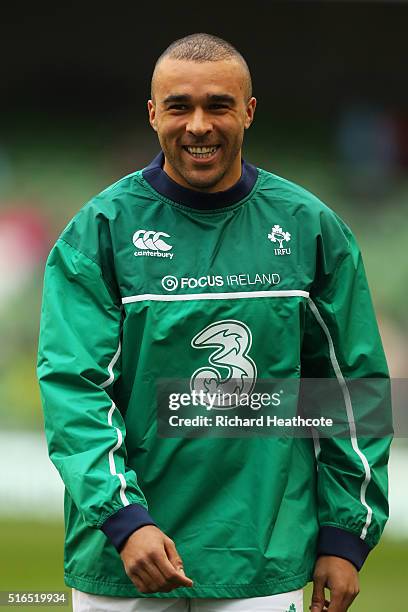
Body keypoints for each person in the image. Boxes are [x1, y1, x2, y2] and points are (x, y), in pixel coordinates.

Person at [37, 33, 392, 612]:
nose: (198, 124)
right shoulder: (99, 230)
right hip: (122, 555)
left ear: (248, 112)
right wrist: (123, 518)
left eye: (218, 105)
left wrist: (345, 533)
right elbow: (75, 389)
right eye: (179, 106)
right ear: (154, 114)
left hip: (262, 557)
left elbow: (353, 390)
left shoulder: (311, 228)